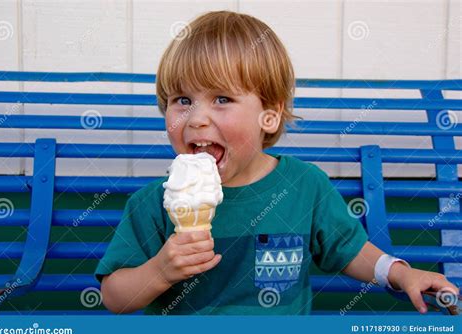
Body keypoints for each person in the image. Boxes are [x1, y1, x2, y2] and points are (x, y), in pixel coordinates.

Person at [95, 10, 458, 314]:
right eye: (182, 100)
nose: (196, 119)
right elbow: (114, 296)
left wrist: (400, 273)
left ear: (269, 116)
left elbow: (350, 250)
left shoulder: (305, 186)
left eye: (222, 99)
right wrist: (160, 270)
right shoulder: (151, 203)